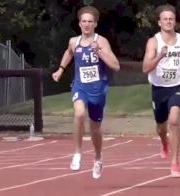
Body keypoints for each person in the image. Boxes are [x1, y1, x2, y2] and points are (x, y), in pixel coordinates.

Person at [52, 6, 120, 179]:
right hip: (80, 86)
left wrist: (99, 52)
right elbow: (68, 53)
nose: (87, 24)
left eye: (90, 21)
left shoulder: (101, 41)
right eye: (84, 21)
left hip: (98, 89)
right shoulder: (74, 42)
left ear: (95, 24)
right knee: (79, 114)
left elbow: (115, 65)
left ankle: (98, 158)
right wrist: (60, 70)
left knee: (95, 128)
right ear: (80, 23)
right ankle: (77, 153)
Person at [142, 4, 180, 178]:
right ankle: (164, 142)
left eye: (171, 18)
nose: (168, 21)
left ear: (175, 22)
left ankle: (175, 161)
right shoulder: (154, 42)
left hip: (176, 86)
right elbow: (145, 68)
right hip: (158, 88)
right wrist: (159, 56)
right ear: (159, 22)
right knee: (161, 127)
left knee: (174, 120)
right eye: (165, 19)